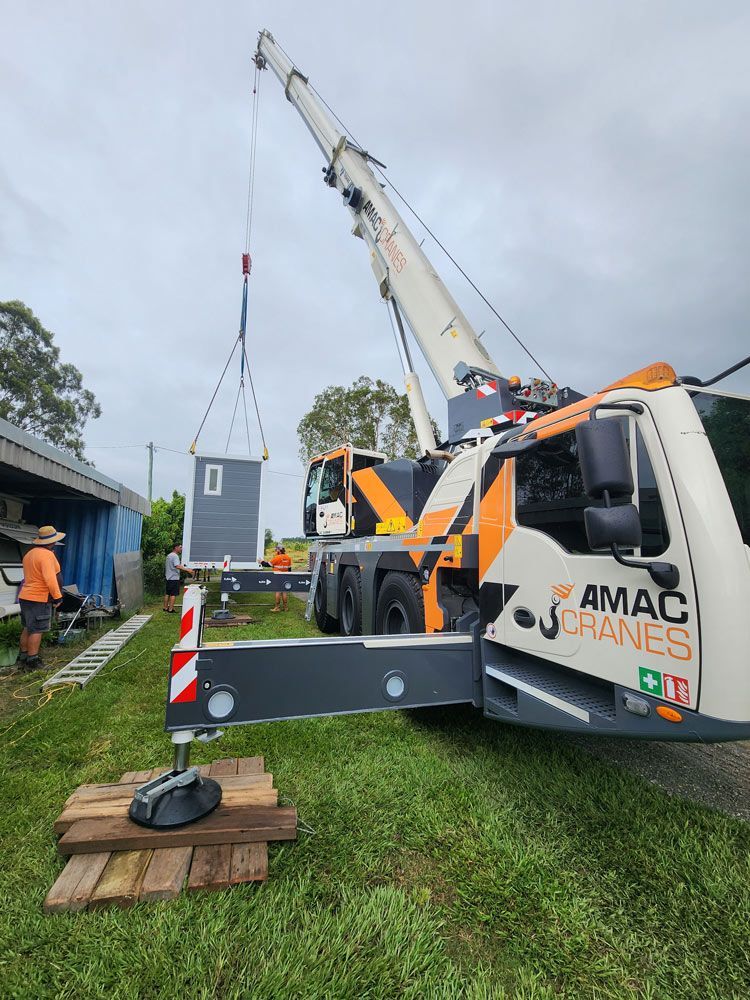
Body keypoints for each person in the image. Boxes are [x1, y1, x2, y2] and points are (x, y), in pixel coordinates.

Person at [17, 524, 66, 672]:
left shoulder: (29, 554)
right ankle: (33, 661)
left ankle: (23, 658)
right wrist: (58, 597)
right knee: (36, 630)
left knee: (27, 627)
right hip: (39, 597)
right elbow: (50, 578)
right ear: (51, 542)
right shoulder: (47, 555)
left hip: (25, 596)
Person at [164, 543, 194, 613]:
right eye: (180, 547)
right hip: (174, 578)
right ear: (176, 548)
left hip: (168, 577)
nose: (181, 549)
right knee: (173, 594)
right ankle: (171, 609)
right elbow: (177, 566)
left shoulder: (169, 555)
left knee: (167, 593)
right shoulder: (175, 556)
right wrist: (188, 570)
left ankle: (165, 607)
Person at [269, 544, 292, 612]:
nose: (276, 551)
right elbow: (289, 569)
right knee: (284, 592)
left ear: (279, 550)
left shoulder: (277, 557)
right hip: (285, 576)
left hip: (277, 576)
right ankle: (285, 607)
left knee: (278, 591)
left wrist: (261, 561)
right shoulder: (288, 558)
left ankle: (277, 607)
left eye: (276, 550)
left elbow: (268, 564)